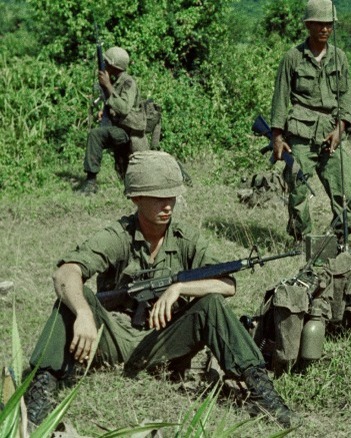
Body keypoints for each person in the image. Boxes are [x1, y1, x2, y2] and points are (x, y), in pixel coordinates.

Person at [24, 151, 294, 428]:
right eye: (158, 198)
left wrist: (179, 287)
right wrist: (82, 312)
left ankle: (262, 391)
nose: (167, 205)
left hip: (163, 342)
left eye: (172, 197)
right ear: (136, 198)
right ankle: (39, 391)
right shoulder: (118, 236)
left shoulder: (185, 238)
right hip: (112, 338)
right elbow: (65, 273)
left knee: (212, 304)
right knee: (70, 301)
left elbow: (227, 284)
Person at [269, 0, 351, 243]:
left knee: (345, 189)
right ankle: (302, 240)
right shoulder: (293, 57)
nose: (325, 29)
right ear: (308, 25)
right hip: (300, 134)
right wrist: (277, 137)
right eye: (319, 24)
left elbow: (346, 97)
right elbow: (280, 97)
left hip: (331, 132)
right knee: (297, 189)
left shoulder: (340, 57)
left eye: (329, 24)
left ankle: (343, 239)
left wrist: (340, 130)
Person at [77, 46, 148, 195]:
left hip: (128, 131)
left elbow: (123, 108)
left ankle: (91, 183)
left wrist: (107, 85)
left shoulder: (128, 82)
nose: (105, 65)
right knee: (96, 136)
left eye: (107, 63)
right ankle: (91, 181)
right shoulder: (118, 81)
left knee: (95, 135)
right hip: (119, 128)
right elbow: (115, 104)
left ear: (114, 65)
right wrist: (105, 112)